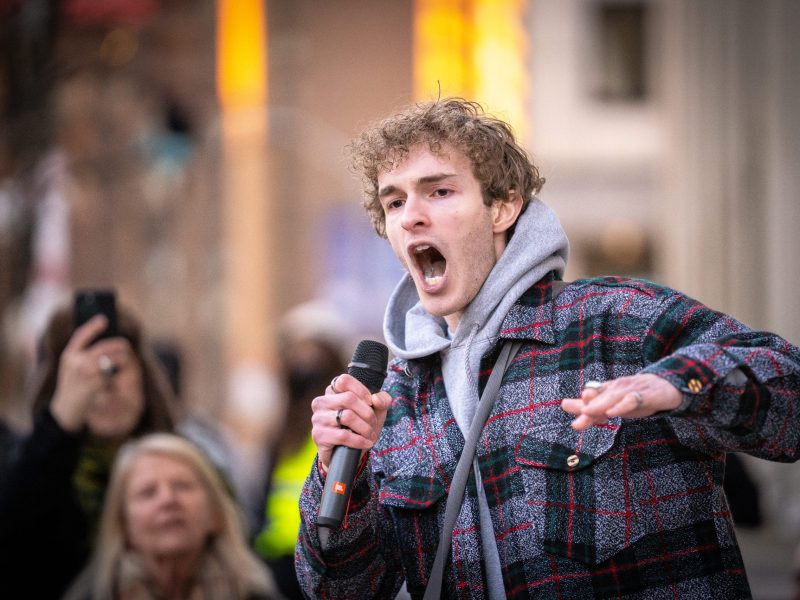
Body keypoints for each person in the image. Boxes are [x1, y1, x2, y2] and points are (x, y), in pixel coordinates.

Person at [294, 98, 800, 599]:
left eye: (440, 191)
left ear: (504, 206)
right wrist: (338, 470)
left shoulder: (614, 321)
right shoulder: (393, 399)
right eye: (395, 202)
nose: (411, 218)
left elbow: (789, 395)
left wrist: (679, 382)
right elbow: (339, 590)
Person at [0, 301, 175, 599]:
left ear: (144, 378)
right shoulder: (26, 467)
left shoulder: (187, 462)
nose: (107, 384)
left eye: (116, 367)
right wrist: (61, 423)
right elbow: (16, 541)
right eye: (88, 370)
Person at [64, 433, 280, 600]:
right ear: (123, 525)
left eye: (182, 486)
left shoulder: (255, 595)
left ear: (215, 513)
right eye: (148, 492)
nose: (168, 500)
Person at [254, 306, 348, 599]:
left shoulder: (348, 421)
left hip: (330, 560)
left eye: (312, 350)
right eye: (296, 350)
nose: (303, 361)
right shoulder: (281, 428)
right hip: (279, 563)